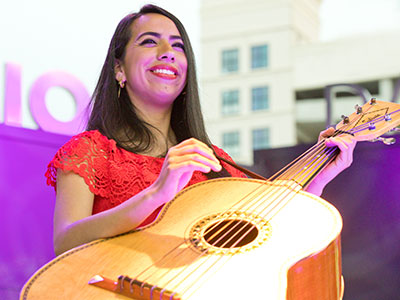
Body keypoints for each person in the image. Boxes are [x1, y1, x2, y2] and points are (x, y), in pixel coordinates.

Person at [45, 4, 356, 256]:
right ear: (119, 69)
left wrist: (316, 178)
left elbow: (265, 234)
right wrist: (157, 193)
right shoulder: (89, 151)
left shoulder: (213, 161)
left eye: (178, 46)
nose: (167, 51)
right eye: (150, 41)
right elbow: (65, 243)